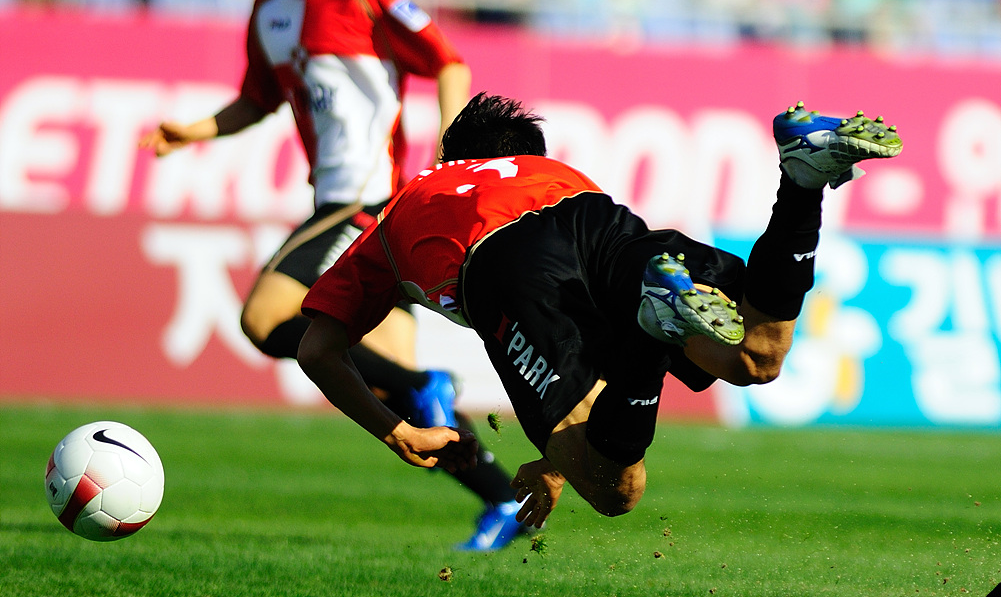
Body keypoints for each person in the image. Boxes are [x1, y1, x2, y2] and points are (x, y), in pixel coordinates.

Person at [296, 93, 903, 526]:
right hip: (596, 217)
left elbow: (316, 349)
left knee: (615, 490)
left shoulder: (405, 206)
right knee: (755, 354)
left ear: (450, 160)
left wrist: (396, 430)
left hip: (501, 257)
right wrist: (553, 458)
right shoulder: (551, 170)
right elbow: (585, 329)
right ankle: (801, 180)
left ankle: (650, 332)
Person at [139, 0, 527, 551]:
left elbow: (448, 61)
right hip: (348, 206)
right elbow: (256, 99)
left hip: (365, 200)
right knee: (396, 397)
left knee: (263, 317)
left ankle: (424, 380)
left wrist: (448, 160)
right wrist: (192, 131)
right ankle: (503, 498)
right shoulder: (270, 9)